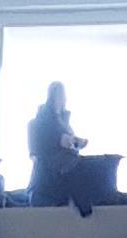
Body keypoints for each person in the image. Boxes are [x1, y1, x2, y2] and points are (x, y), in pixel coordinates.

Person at [27, 81, 90, 212]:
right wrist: (67, 141)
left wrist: (75, 142)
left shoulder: (62, 122)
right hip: (49, 181)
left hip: (60, 180)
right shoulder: (41, 124)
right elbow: (41, 149)